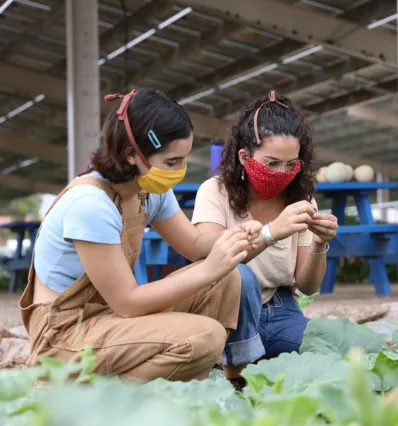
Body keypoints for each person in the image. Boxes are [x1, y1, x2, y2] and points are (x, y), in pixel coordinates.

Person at [18, 88, 263, 382]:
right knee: (204, 335)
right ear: (132, 155)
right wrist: (211, 267)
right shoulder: (90, 204)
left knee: (226, 278)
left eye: (184, 159)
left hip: (108, 317)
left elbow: (196, 245)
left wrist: (244, 235)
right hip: (65, 333)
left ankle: (181, 376)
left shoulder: (148, 191)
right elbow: (128, 302)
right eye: (172, 162)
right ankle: (91, 396)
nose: (181, 170)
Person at [192, 90, 339, 388]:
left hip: (280, 309)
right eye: (271, 163)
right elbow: (210, 261)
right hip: (228, 313)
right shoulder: (214, 191)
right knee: (241, 275)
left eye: (290, 164)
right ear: (245, 157)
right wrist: (271, 233)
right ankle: (236, 375)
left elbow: (308, 285)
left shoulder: (300, 198)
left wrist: (319, 243)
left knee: (327, 360)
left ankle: (255, 361)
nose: (281, 173)